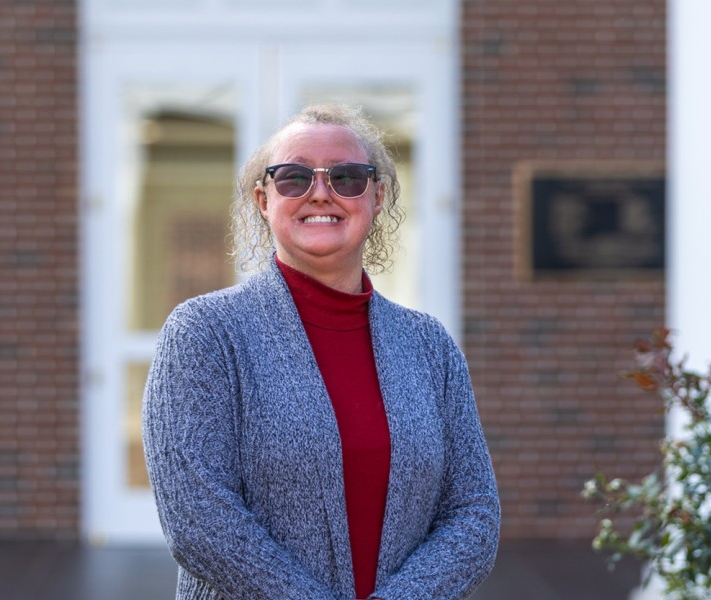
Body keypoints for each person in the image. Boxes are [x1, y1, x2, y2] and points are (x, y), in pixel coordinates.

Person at [142, 104, 500, 600]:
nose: (320, 193)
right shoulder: (204, 333)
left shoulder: (428, 345)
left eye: (347, 177)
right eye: (293, 178)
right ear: (263, 200)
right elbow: (197, 518)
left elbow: (474, 511)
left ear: (377, 197)